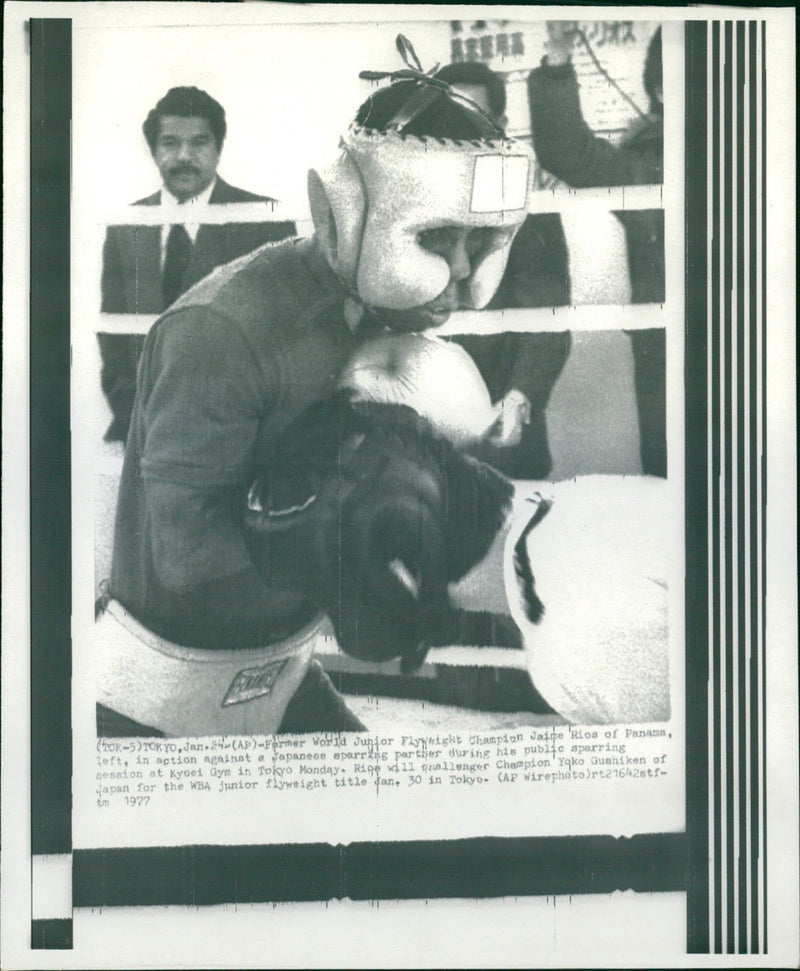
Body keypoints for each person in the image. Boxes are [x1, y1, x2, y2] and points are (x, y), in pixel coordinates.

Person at [95, 47, 534, 738]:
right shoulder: (222, 329)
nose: (458, 267)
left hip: (285, 669)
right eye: (439, 235)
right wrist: (342, 533)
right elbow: (183, 551)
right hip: (159, 692)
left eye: (479, 241)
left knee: (391, 827)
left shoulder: (390, 323)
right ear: (349, 214)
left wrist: (466, 481)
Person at [98, 86, 297, 443]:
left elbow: (285, 338)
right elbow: (114, 334)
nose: (184, 156)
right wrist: (137, 419)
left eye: (199, 143)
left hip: (235, 434)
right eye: (170, 143)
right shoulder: (127, 226)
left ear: (219, 148)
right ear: (154, 149)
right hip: (143, 432)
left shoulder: (263, 221)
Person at [528, 24, 667, 477]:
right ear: (661, 90)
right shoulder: (642, 164)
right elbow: (566, 150)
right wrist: (559, 56)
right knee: (671, 480)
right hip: (664, 356)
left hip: (759, 350)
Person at [434, 61, 572, 480]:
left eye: (472, 116)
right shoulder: (409, 189)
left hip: (500, 425)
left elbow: (547, 314)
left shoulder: (524, 195)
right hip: (423, 429)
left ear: (500, 123)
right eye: (447, 115)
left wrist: (520, 396)